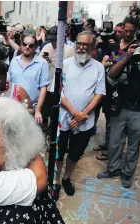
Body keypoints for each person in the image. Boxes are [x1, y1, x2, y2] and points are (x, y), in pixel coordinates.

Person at [97, 27, 140, 188]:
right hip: (121, 107)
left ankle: (127, 174)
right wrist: (126, 57)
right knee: (114, 142)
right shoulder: (129, 54)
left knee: (133, 146)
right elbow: (112, 74)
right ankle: (113, 169)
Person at [55, 31, 105, 197]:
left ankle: (66, 178)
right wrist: (75, 113)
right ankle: (56, 180)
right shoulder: (65, 64)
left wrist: (83, 115)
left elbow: (99, 94)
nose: (82, 47)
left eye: (86, 44)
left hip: (85, 121)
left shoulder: (98, 68)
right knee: (59, 151)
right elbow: (58, 92)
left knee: (75, 153)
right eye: (79, 43)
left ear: (92, 46)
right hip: (63, 119)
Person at [93, 17, 139, 160]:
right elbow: (104, 62)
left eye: (132, 31)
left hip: (124, 90)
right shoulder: (114, 45)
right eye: (126, 30)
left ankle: (112, 150)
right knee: (108, 117)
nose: (128, 34)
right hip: (108, 86)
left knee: (117, 121)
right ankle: (108, 144)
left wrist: (114, 63)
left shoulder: (136, 47)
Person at [39, 25, 76, 131]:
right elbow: (40, 64)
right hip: (48, 86)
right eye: (51, 40)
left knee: (57, 114)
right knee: (44, 112)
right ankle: (44, 133)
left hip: (62, 88)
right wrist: (45, 62)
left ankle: (55, 133)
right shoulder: (46, 48)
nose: (53, 42)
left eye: (55, 40)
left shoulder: (69, 50)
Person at [9, 34, 50, 124]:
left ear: (35, 47)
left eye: (31, 45)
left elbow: (43, 88)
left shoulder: (42, 63)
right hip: (13, 108)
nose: (27, 47)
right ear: (21, 45)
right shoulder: (14, 61)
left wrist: (38, 111)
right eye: (24, 44)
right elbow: (10, 83)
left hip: (31, 109)